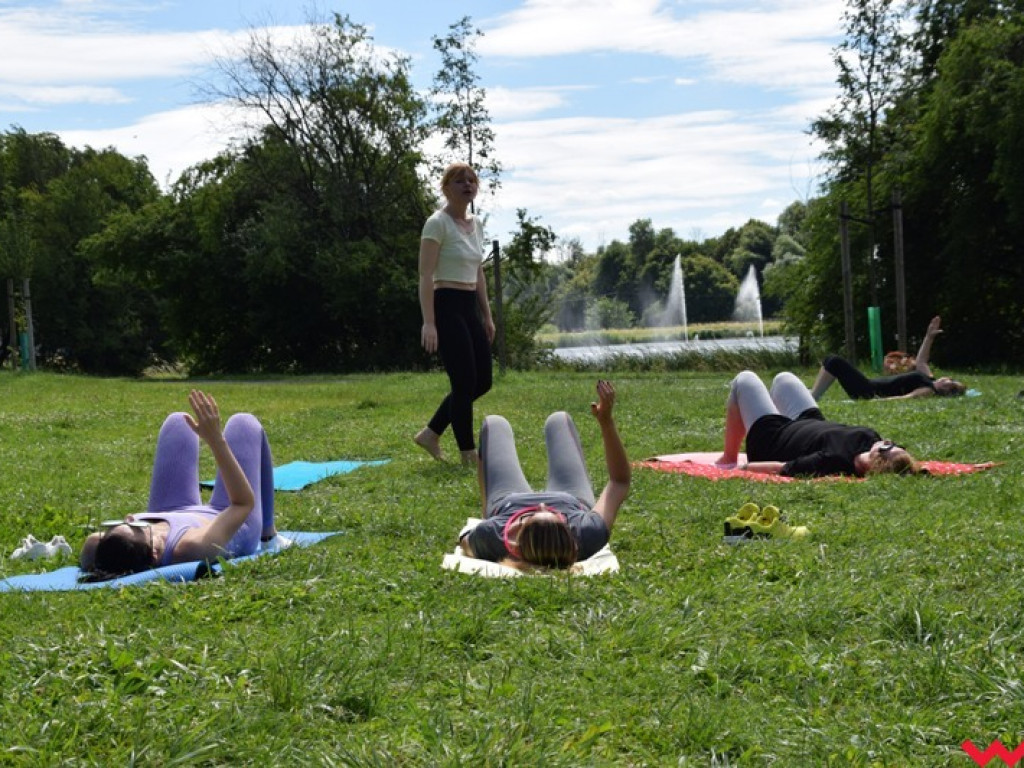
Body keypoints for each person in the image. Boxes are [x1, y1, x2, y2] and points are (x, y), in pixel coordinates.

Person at [79, 390, 282, 581]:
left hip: (173, 510)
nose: (131, 518)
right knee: (243, 424)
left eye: (123, 524)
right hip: (230, 516)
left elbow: (97, 553)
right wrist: (215, 440)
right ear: (156, 553)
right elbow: (242, 503)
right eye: (137, 527)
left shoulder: (98, 547)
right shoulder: (193, 547)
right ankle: (268, 534)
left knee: (178, 422)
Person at [459, 380, 630, 571]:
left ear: (514, 541)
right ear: (570, 535)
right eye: (556, 517)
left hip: (507, 501)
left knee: (494, 423)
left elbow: (465, 543)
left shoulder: (491, 535)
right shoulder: (587, 533)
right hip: (571, 497)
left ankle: (488, 510)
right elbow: (619, 481)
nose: (542, 505)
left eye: (527, 519)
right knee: (559, 419)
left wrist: (487, 517)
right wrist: (606, 422)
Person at [414, 162, 496, 467]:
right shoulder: (437, 223)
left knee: (482, 381)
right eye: (459, 180)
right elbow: (425, 275)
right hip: (445, 304)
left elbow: (478, 272)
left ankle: (431, 433)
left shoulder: (477, 225)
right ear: (446, 188)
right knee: (463, 383)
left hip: (468, 306)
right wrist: (429, 322)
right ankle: (468, 453)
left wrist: (487, 316)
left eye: (472, 180)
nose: (467, 185)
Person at [718, 370, 924, 477]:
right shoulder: (871, 439)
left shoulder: (833, 461)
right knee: (784, 379)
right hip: (808, 421)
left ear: (876, 461)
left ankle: (728, 457)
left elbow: (783, 468)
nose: (887, 441)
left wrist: (742, 469)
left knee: (744, 380)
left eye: (888, 446)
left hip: (772, 438)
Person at [810, 316, 966, 400]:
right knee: (831, 361)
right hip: (868, 385)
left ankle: (813, 397)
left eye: (951, 383)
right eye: (951, 379)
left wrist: (875, 402)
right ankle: (814, 393)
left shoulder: (928, 390)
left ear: (947, 389)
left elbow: (905, 398)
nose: (948, 379)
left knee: (834, 361)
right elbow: (921, 361)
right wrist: (929, 336)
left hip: (868, 391)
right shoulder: (929, 379)